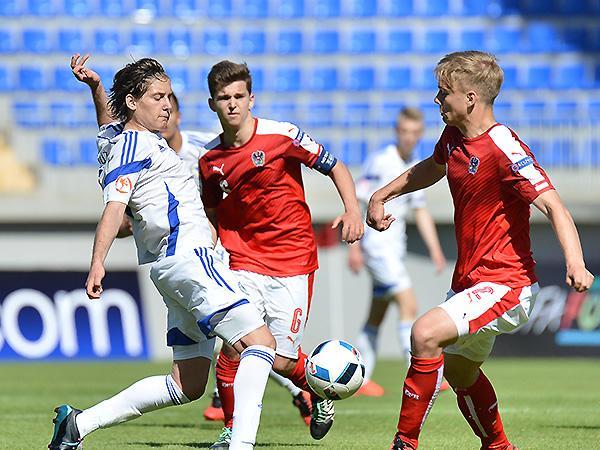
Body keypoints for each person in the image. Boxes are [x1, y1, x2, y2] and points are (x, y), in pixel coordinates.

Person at [366, 51, 595, 450]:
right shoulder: (453, 137)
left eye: (443, 93)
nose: (436, 100)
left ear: (470, 98)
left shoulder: (504, 147)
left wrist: (576, 262)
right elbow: (433, 166)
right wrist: (382, 194)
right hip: (470, 282)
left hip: (507, 283)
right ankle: (499, 446)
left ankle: (404, 443)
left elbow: (553, 205)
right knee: (460, 372)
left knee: (424, 333)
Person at [70, 53, 313, 425]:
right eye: (158, 97)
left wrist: (97, 88)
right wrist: (98, 263)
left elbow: (108, 125)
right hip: (190, 258)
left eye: (169, 96)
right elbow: (114, 208)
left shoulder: (120, 141)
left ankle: (78, 424)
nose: (167, 105)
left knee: (187, 384)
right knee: (261, 343)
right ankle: (242, 440)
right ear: (133, 102)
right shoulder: (133, 146)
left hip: (173, 266)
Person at [199, 60, 364, 448]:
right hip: (241, 261)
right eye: (224, 98)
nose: (232, 104)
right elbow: (210, 211)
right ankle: (232, 429)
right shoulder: (208, 160)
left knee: (282, 360)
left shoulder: (282, 136)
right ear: (212, 104)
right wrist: (209, 250)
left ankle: (316, 391)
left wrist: (353, 210)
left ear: (251, 98)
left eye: (239, 96)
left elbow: (335, 166)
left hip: (292, 262)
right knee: (234, 349)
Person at [348, 107, 446, 397]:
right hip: (377, 249)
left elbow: (420, 211)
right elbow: (358, 201)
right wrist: (354, 247)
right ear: (397, 131)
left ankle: (359, 378)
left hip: (394, 249)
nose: (409, 137)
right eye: (404, 131)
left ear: (420, 134)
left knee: (376, 314)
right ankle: (420, 373)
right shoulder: (381, 161)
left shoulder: (415, 166)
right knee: (409, 305)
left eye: (414, 132)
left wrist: (436, 250)